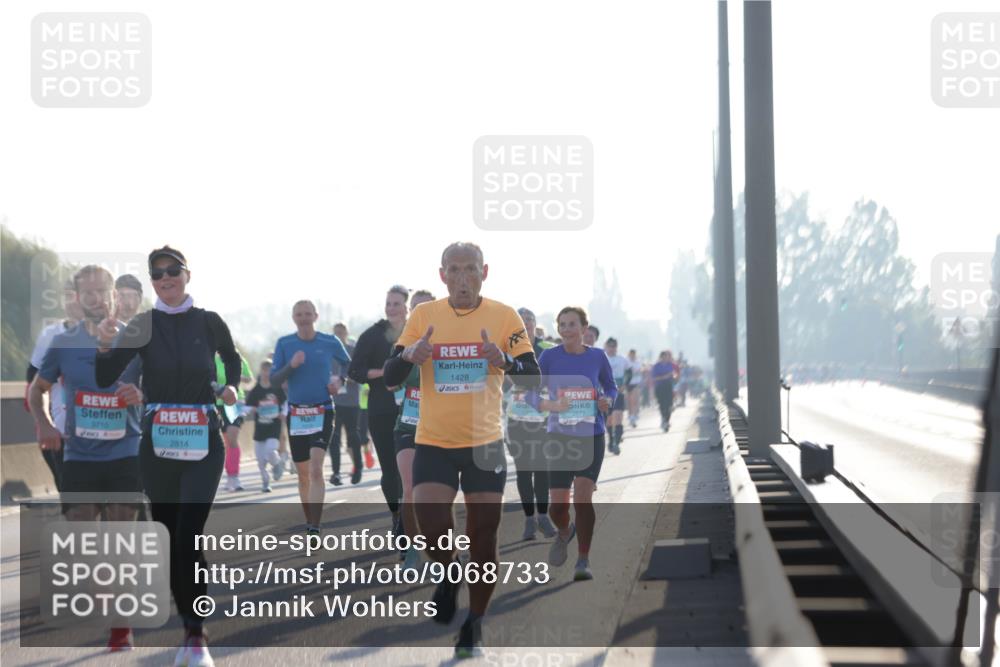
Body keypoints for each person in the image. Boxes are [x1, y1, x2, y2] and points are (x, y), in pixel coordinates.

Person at [384, 242, 539, 658]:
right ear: (442, 276)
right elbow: (390, 375)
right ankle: (451, 571)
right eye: (454, 270)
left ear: (484, 272)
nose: (462, 279)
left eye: (470, 270)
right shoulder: (424, 316)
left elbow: (533, 378)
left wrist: (504, 358)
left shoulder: (504, 316)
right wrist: (410, 355)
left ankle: (475, 624)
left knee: (483, 536)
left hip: (484, 443)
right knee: (432, 530)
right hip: (433, 441)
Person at [95, 245, 240, 667]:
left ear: (186, 274)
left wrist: (230, 387)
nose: (164, 278)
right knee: (171, 540)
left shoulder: (210, 322)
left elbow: (232, 361)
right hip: (157, 445)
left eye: (172, 270)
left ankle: (197, 638)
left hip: (202, 442)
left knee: (190, 533)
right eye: (156, 273)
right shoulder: (142, 324)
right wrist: (106, 345)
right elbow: (106, 376)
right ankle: (188, 628)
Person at [28, 265, 144, 652]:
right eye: (87, 293)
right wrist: (44, 423)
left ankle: (120, 627)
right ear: (78, 298)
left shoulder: (137, 340)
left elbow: (163, 387)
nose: (95, 299)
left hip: (126, 451)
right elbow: (37, 389)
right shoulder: (63, 343)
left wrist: (142, 397)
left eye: (102, 291)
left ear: (115, 295)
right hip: (79, 453)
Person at [529, 306, 616, 582]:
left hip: (591, 435)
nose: (566, 329)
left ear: (584, 329)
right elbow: (530, 392)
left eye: (571, 324)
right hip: (559, 436)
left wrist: (607, 401)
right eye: (562, 324)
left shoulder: (598, 357)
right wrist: (549, 404)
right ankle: (565, 532)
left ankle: (583, 559)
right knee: (557, 508)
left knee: (582, 499)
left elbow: (611, 387)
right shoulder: (549, 357)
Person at [269, 300, 350, 536]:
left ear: (315, 316)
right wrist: (291, 366)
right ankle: (309, 519)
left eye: (307, 314)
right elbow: (274, 380)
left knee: (316, 469)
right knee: (303, 475)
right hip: (297, 414)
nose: (303, 318)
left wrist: (340, 381)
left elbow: (348, 365)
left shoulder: (329, 341)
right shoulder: (285, 344)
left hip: (323, 410)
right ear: (293, 317)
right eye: (299, 314)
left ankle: (315, 526)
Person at [348, 286, 409, 535]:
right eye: (389, 303)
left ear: (407, 307)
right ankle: (397, 517)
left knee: (414, 467)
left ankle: (413, 519)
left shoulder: (417, 331)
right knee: (390, 468)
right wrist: (385, 372)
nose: (392, 308)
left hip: (414, 408)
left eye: (397, 303)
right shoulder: (372, 335)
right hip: (381, 410)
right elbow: (355, 371)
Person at [388, 289, 436, 569]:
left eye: (426, 307)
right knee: (409, 487)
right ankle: (413, 550)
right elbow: (391, 381)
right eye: (416, 308)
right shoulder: (402, 343)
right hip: (407, 423)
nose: (420, 312)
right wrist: (406, 358)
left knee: (434, 492)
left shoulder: (449, 341)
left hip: (441, 427)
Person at [506, 307, 557, 541]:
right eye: (521, 320)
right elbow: (500, 383)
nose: (525, 324)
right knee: (524, 470)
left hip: (543, 420)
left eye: (529, 320)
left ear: (536, 324)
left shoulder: (548, 349)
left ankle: (544, 516)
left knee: (542, 469)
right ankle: (529, 520)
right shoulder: (508, 349)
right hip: (517, 419)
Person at [244, 360, 287, 492]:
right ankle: (266, 482)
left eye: (269, 370)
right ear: (260, 372)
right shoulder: (256, 390)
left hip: (274, 426)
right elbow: (247, 406)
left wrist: (283, 413)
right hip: (260, 429)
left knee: (271, 450)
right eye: (264, 370)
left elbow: (286, 403)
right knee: (261, 462)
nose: (266, 373)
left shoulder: (277, 388)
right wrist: (251, 410)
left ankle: (277, 463)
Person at [328, 323, 361, 486]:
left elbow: (360, 373)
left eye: (341, 332)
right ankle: (336, 473)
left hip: (351, 401)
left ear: (347, 333)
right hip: (333, 402)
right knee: (334, 439)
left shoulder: (353, 351)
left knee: (352, 438)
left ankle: (357, 467)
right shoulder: (328, 352)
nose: (339, 335)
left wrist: (348, 379)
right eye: (336, 333)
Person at [217, 351, 254, 491]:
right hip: (218, 403)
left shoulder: (237, 358)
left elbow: (249, 379)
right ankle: (229, 474)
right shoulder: (212, 360)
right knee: (226, 441)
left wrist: (237, 377)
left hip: (236, 402)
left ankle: (234, 476)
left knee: (232, 437)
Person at [603, 337, 629, 455]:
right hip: (606, 392)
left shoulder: (622, 359)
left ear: (616, 347)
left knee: (618, 416)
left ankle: (616, 443)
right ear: (606, 347)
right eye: (610, 346)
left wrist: (625, 384)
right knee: (609, 419)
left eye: (614, 346)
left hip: (619, 391)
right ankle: (611, 440)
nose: (612, 348)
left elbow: (629, 372)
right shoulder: (602, 358)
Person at [652, 351, 677, 431]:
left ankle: (666, 420)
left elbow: (673, 374)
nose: (666, 358)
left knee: (669, 405)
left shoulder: (670, 365)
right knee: (662, 404)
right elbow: (653, 378)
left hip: (669, 387)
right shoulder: (656, 366)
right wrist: (664, 377)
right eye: (664, 357)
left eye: (667, 357)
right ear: (661, 357)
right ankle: (664, 419)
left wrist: (674, 376)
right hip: (660, 387)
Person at [626, 349, 643, 427]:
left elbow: (639, 371)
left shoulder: (638, 362)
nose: (632, 355)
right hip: (628, 383)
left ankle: (634, 415)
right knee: (629, 401)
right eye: (631, 354)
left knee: (635, 399)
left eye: (633, 354)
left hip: (636, 382)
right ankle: (630, 415)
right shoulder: (627, 362)